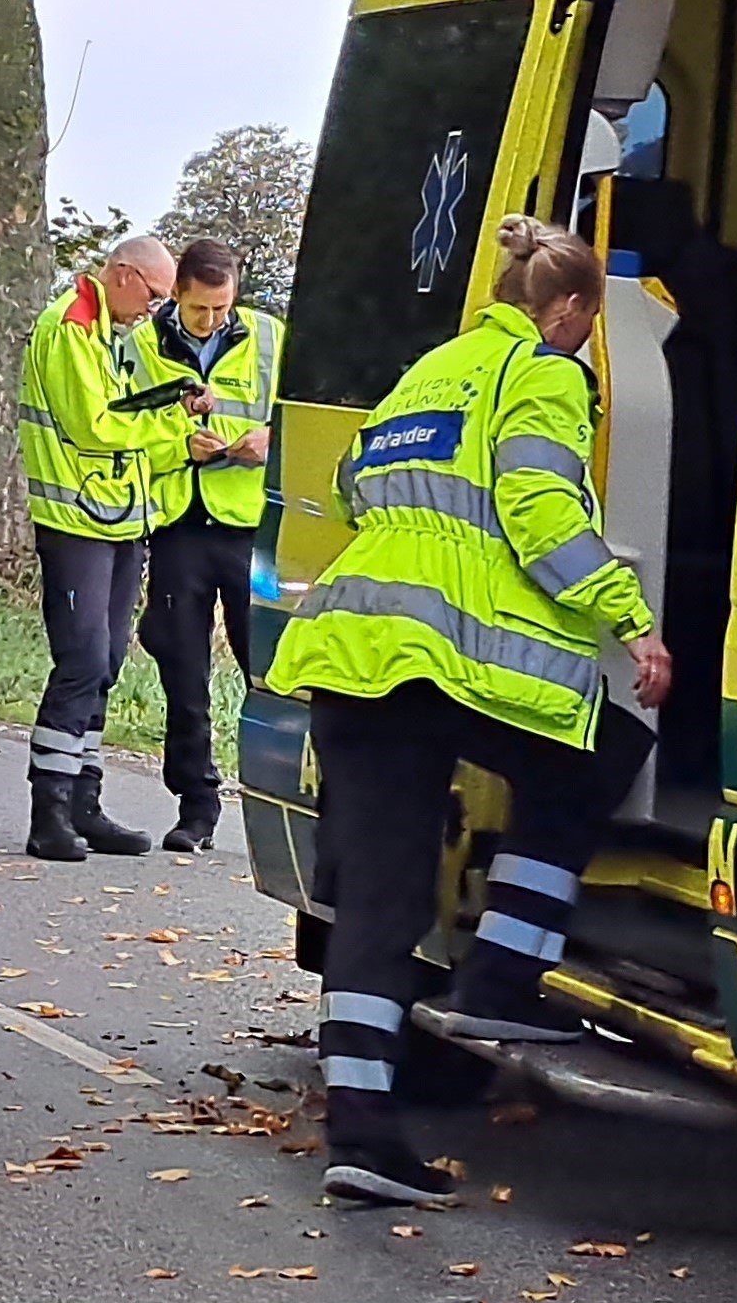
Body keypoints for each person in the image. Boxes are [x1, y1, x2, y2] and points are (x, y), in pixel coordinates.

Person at [262, 216, 666, 1209]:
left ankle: (362, 1133)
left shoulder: (434, 367)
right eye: (586, 324)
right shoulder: (543, 372)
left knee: (380, 903)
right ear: (566, 308)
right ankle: (500, 980)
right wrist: (633, 620)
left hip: (349, 647)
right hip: (436, 660)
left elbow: (352, 484)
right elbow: (540, 511)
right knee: (593, 755)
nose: (583, 342)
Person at [17, 233, 184, 861]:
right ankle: (49, 811)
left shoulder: (114, 331)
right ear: (121, 275)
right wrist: (167, 432)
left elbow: (133, 410)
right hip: (76, 521)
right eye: (154, 295)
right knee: (83, 658)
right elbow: (96, 426)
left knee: (108, 662)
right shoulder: (70, 326)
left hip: (120, 522)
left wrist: (176, 417)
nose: (154, 310)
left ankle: (85, 802)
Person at [132, 239, 281, 852]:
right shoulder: (140, 345)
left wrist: (270, 438)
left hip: (251, 530)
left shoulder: (272, 338)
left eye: (223, 309)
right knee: (184, 671)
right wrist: (177, 447)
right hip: (179, 525)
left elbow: (301, 411)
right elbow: (119, 425)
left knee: (267, 668)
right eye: (200, 311)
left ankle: (276, 804)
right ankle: (196, 807)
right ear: (177, 296)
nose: (214, 321)